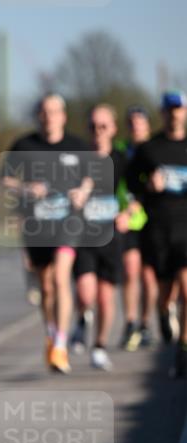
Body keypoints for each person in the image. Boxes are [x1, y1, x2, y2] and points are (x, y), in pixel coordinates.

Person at [4, 95, 92, 374]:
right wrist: (25, 189)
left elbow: (92, 176)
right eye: (44, 111)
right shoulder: (24, 145)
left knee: (61, 275)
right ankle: (52, 333)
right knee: (46, 285)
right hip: (37, 225)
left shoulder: (78, 146)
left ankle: (61, 345)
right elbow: (6, 178)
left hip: (68, 223)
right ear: (38, 115)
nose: (49, 116)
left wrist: (83, 192)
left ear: (63, 116)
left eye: (54, 111)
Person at [127, 90, 187, 378]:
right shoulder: (150, 149)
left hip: (185, 227)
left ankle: (183, 349)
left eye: (179, 108)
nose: (174, 113)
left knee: (186, 289)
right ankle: (163, 313)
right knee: (165, 295)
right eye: (169, 109)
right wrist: (147, 187)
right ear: (162, 113)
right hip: (159, 229)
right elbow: (130, 183)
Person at [71, 105, 126, 371]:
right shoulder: (79, 159)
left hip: (112, 237)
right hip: (84, 236)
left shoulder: (122, 159)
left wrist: (129, 211)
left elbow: (136, 193)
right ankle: (82, 320)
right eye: (93, 126)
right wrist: (75, 195)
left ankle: (100, 346)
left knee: (106, 298)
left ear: (113, 129)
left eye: (103, 126)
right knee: (85, 293)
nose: (98, 132)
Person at [118, 106, 156, 350]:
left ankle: (145, 324)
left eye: (140, 123)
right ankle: (130, 322)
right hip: (128, 220)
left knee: (149, 276)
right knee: (131, 272)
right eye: (132, 123)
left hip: (153, 219)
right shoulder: (121, 151)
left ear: (148, 125)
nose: (136, 127)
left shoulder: (156, 149)